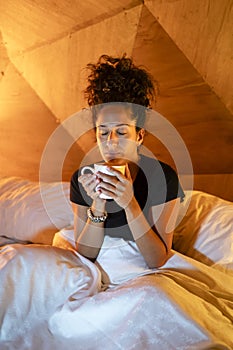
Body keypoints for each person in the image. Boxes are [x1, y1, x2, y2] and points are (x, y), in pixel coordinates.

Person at [70, 54, 184, 273]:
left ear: (139, 136)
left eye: (121, 131)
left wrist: (130, 204)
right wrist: (98, 204)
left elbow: (158, 259)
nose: (111, 141)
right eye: (103, 133)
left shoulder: (162, 177)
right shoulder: (83, 178)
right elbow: (85, 255)